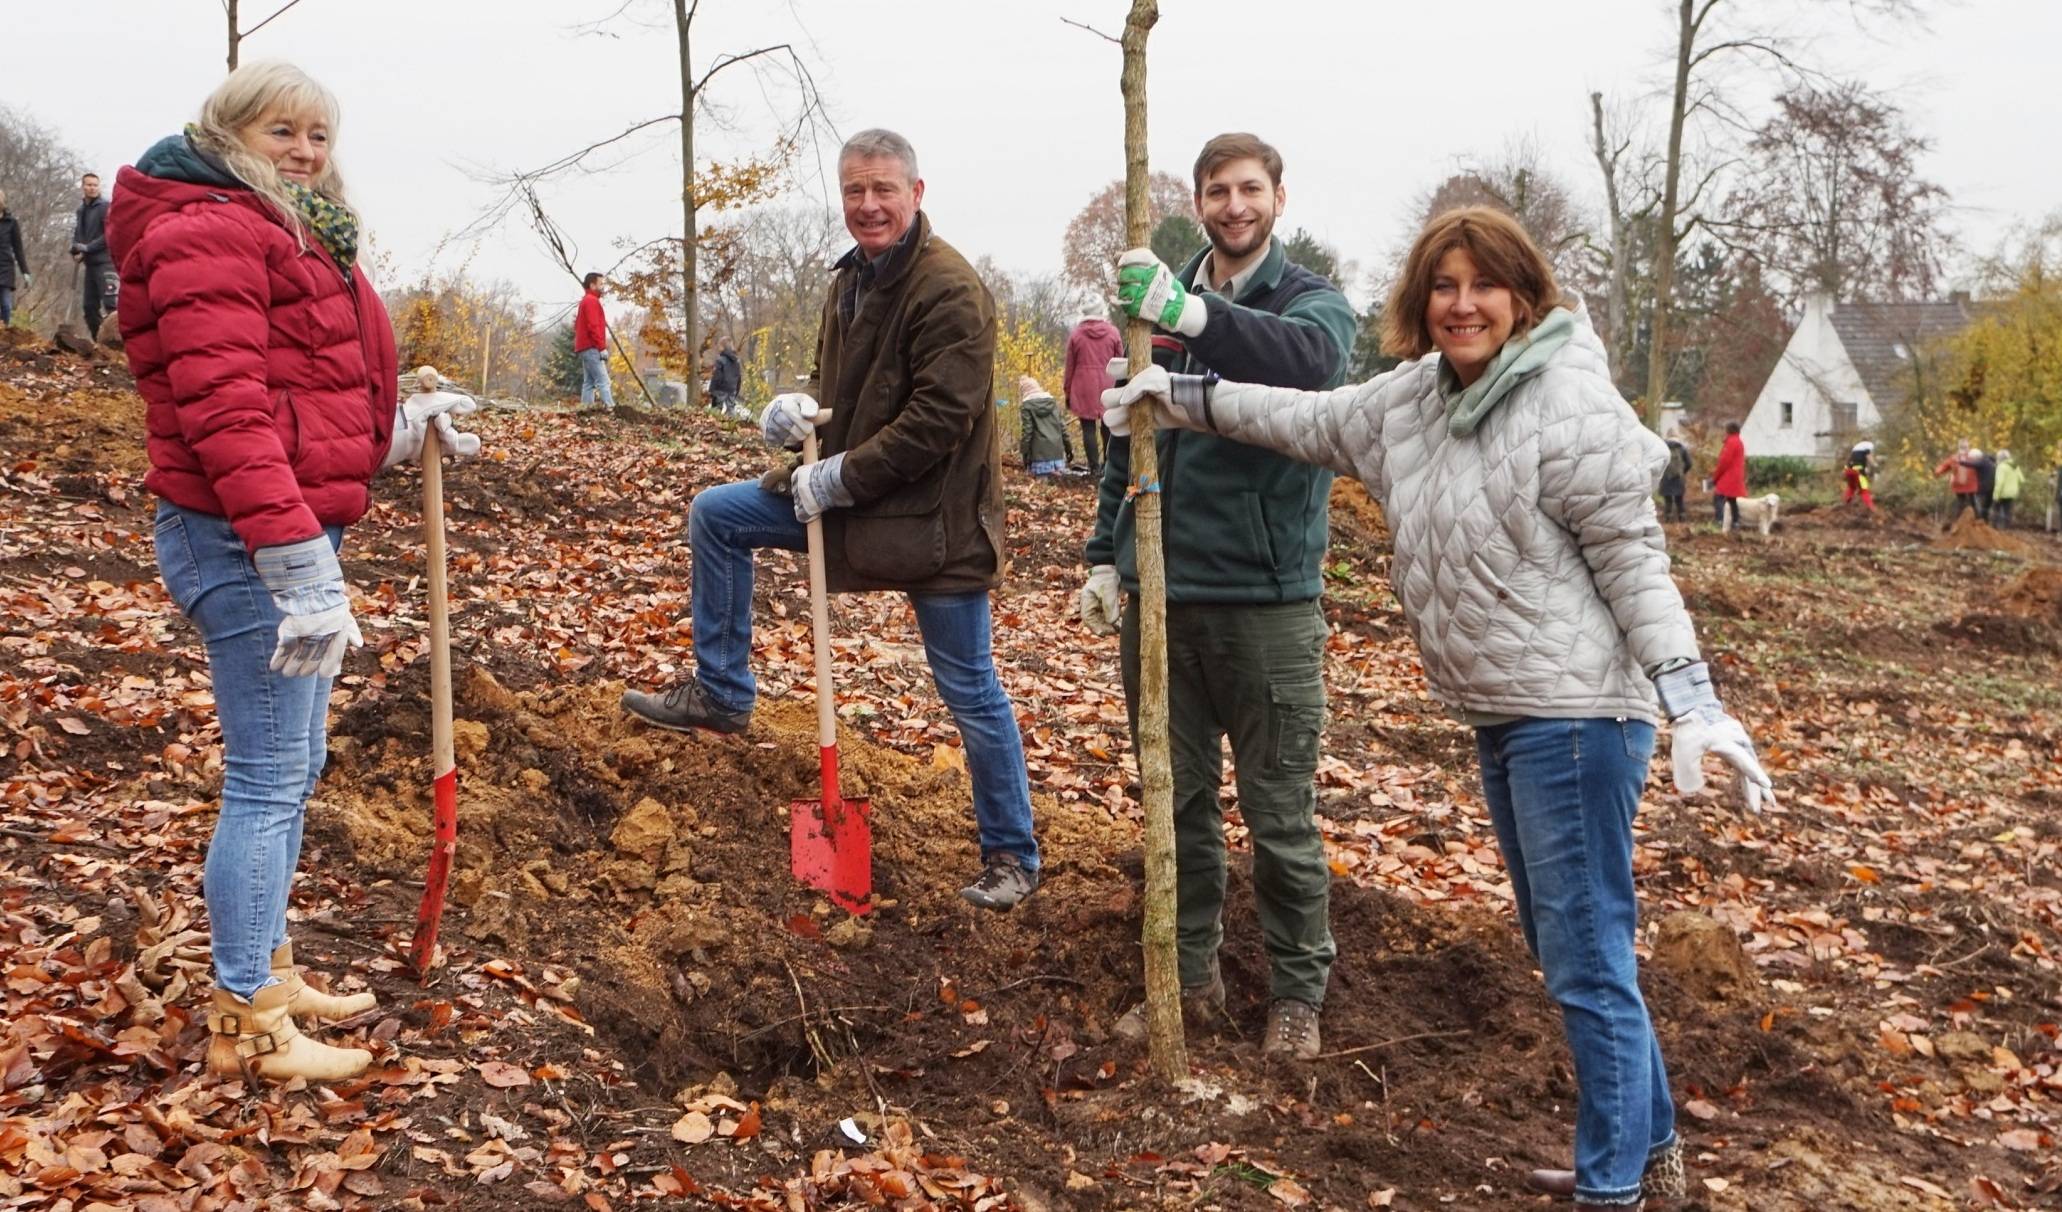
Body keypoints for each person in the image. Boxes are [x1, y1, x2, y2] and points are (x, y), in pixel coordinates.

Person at [1105, 205, 1774, 1211]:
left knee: (1585, 961)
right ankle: (1648, 1157)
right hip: (1505, 711)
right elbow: (1299, 418)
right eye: (1443, 286)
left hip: (1583, 719)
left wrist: (1692, 700)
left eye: (1482, 286)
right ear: (1422, 301)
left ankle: (1612, 1191)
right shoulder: (1410, 402)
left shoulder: (1571, 406)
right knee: (1569, 950)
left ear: (1522, 296)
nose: (1461, 305)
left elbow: (1636, 563)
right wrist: (1177, 394)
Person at [107, 62, 479, 1085]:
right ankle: (246, 1022)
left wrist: (398, 431)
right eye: (283, 131)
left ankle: (265, 966)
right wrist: (293, 556)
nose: (307, 150)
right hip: (243, 538)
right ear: (230, 131)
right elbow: (224, 414)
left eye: (319, 133)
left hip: (285, 526)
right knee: (269, 780)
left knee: (295, 766)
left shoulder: (289, 225)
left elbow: (302, 396)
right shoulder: (208, 228)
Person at [619, 129, 1041, 910]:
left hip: (934, 525)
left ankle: (1011, 856)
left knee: (969, 687)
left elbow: (937, 420)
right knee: (718, 515)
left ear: (918, 192)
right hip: (849, 501)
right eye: (855, 191)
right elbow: (846, 391)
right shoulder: (850, 280)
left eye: (884, 190)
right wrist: (800, 416)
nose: (869, 205)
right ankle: (721, 692)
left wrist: (839, 477)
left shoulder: (950, 289)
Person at [1081, 132, 1357, 1061]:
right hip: (1163, 593)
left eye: (1250, 190)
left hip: (1267, 602)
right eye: (1216, 191)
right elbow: (1128, 434)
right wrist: (1101, 555)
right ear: (1197, 201)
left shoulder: (1309, 304)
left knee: (1278, 814)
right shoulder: (1146, 308)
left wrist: (1190, 317)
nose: (1233, 206)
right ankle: (1188, 977)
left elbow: (1310, 367)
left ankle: (1297, 993)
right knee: (1178, 805)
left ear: (1279, 197)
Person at [1064, 303, 1123, 474]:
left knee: (1088, 428)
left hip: (1083, 386)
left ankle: (1094, 467)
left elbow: (1070, 366)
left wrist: (1067, 391)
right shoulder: (1113, 332)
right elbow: (1120, 360)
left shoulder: (1076, 335)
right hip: (1108, 383)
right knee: (1109, 426)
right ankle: (1109, 465)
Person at [72, 172, 118, 337]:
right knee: (89, 307)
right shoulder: (81, 210)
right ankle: (100, 343)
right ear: (82, 187)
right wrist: (76, 249)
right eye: (89, 185)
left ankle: (119, 347)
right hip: (90, 264)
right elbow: (79, 234)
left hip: (106, 263)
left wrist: (88, 248)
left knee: (111, 305)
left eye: (95, 185)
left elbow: (109, 234)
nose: (92, 188)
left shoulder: (105, 207)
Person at [574, 271, 615, 411]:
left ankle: (586, 410)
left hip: (585, 347)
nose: (602, 287)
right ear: (592, 285)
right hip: (591, 347)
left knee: (589, 382)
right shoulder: (591, 301)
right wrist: (601, 347)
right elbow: (593, 326)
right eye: (600, 284)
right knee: (603, 381)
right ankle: (611, 409)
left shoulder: (586, 301)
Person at [1017, 374, 1071, 476]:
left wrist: (1024, 453)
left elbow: (1027, 432)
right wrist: (1069, 448)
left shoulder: (1026, 407)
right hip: (1058, 456)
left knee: (1042, 486)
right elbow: (1062, 428)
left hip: (1039, 459)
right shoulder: (1052, 403)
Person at [0, 189, 28, 326]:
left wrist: (25, 272)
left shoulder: (11, 222)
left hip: (5, 268)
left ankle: (4, 332)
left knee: (6, 305)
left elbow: (18, 249)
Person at [1711, 421, 1746, 532]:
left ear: (1728, 430)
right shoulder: (1739, 442)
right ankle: (1736, 522)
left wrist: (1715, 477)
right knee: (1732, 500)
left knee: (1718, 497)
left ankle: (1719, 521)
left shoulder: (1730, 442)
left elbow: (1724, 462)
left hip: (1728, 476)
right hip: (1736, 476)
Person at [1935, 439, 1979, 525]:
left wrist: (1937, 472)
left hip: (1958, 485)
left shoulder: (1954, 458)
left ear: (1959, 447)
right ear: (1968, 447)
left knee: (1961, 503)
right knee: (1973, 503)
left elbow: (1943, 467)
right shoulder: (1973, 458)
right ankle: (1976, 521)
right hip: (1971, 485)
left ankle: (1959, 522)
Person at [709, 334, 744, 418]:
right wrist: (736, 389)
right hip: (732, 389)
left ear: (722, 347)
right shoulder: (737, 361)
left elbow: (717, 376)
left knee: (717, 409)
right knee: (730, 409)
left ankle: (715, 425)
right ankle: (732, 425)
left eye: (719, 346)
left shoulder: (720, 360)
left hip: (720, 389)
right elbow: (738, 377)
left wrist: (712, 389)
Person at [1658, 437, 1691, 522]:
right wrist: (1682, 471)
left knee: (1668, 500)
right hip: (1678, 478)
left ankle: (1668, 518)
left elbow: (1658, 463)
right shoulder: (1682, 448)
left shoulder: (1662, 448)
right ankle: (1682, 517)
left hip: (1666, 477)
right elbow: (1689, 463)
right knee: (1679, 499)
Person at [1842, 439, 1879, 514]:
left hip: (1848, 470)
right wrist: (1875, 465)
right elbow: (1869, 456)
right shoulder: (1869, 445)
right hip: (1858, 472)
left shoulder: (1856, 447)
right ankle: (1871, 508)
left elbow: (1855, 459)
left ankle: (1845, 504)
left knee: (1851, 487)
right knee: (1864, 490)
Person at [1992, 448, 2022, 528]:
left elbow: (2000, 482)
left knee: (1996, 510)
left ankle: (1994, 529)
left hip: (2002, 492)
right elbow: (2021, 479)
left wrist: (1996, 496)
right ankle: (2007, 528)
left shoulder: (2001, 467)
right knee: (2007, 511)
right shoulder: (2015, 466)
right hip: (2012, 493)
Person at [1970, 446, 1998, 523]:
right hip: (1992, 487)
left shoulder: (1982, 462)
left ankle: (1982, 522)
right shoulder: (1990, 461)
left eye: (1972, 459)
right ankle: (1985, 522)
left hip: (1983, 488)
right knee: (1986, 507)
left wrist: (1961, 462)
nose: (1972, 461)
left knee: (1981, 507)